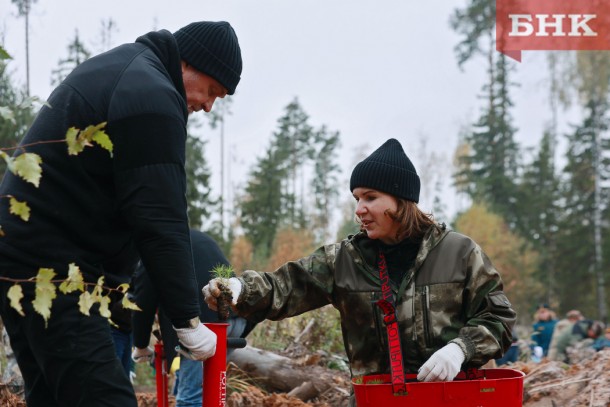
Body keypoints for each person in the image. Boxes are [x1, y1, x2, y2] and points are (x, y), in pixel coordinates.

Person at [0, 21, 242, 407]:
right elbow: (159, 218)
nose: (208, 105)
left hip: (25, 257)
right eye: (211, 90)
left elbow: (123, 205)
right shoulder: (153, 96)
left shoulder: (127, 71)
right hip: (55, 269)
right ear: (187, 64)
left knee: (52, 396)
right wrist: (187, 321)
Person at [203, 138, 516, 404]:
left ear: (402, 200)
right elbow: (285, 286)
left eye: (370, 197)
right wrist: (240, 288)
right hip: (376, 401)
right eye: (356, 198)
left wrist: (460, 350)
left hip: (448, 400)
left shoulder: (459, 253)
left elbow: (498, 319)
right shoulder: (344, 260)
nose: (359, 209)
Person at [131, 230, 254, 407]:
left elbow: (143, 303)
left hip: (201, 326)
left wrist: (141, 345)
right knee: (208, 390)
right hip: (235, 320)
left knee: (191, 398)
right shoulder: (199, 238)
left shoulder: (152, 248)